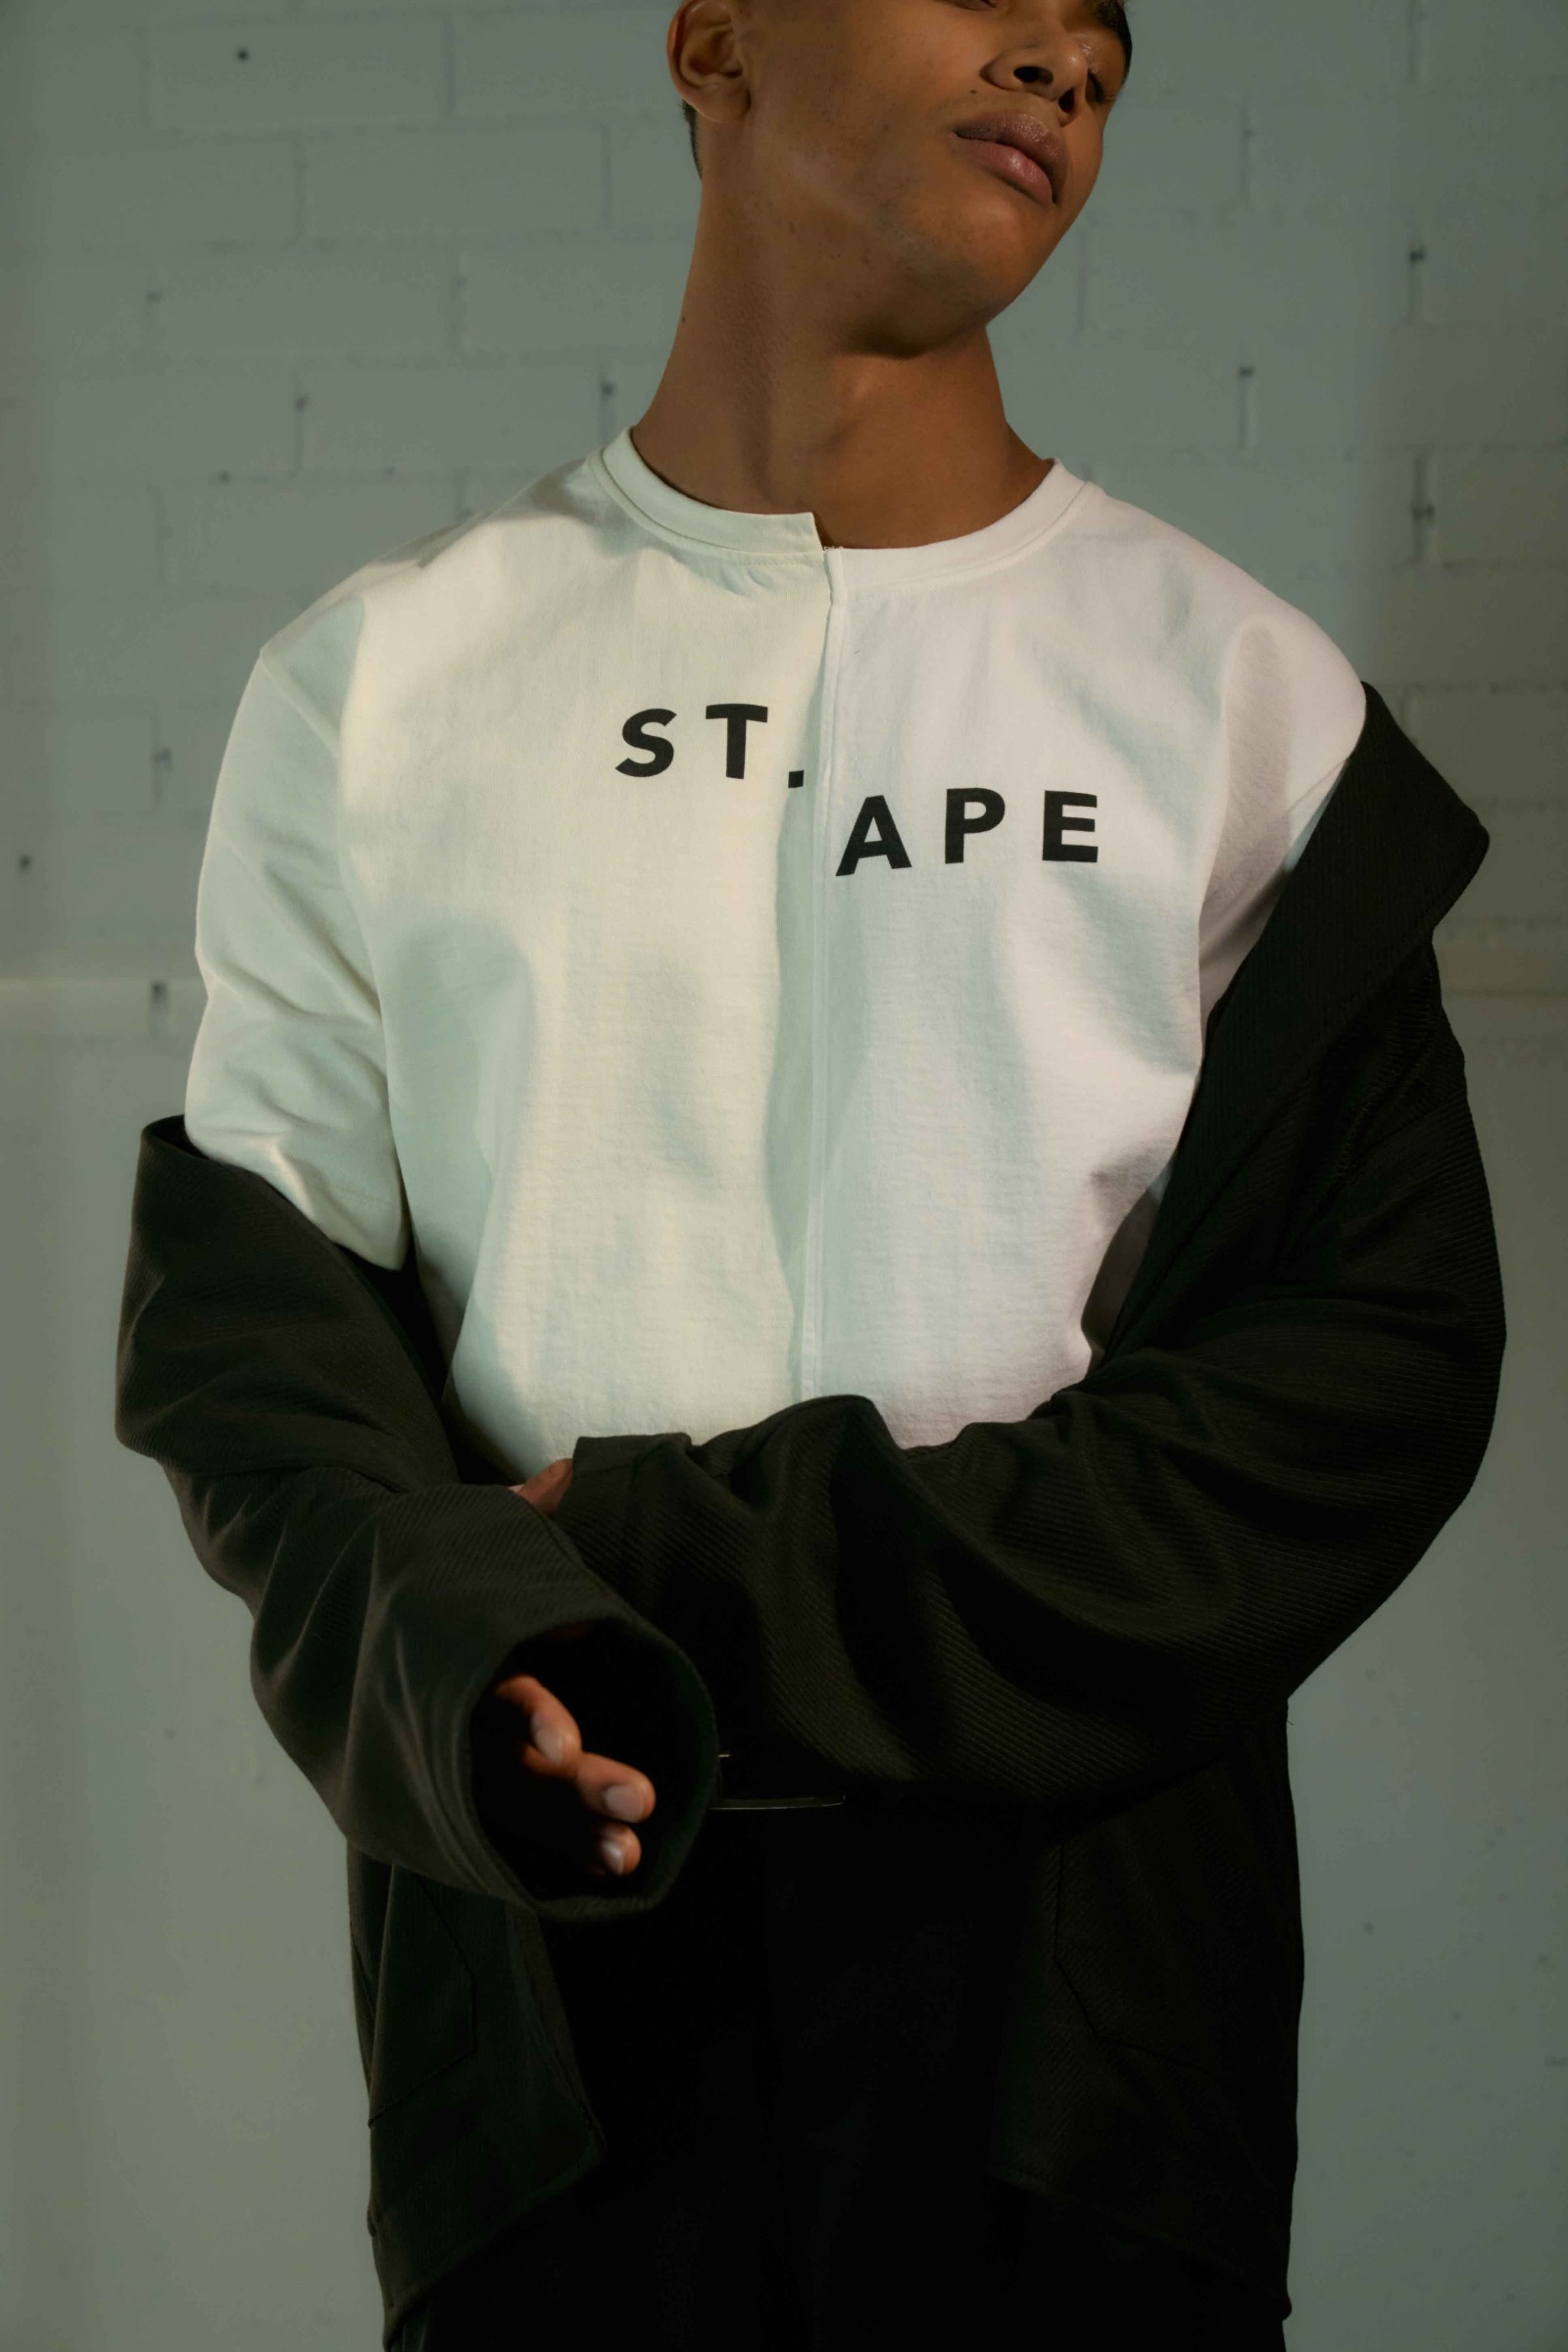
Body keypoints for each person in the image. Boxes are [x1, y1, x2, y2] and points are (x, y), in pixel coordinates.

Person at [113, 1, 1505, 2346]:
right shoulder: (381, 686)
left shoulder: (1248, 711)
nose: (1062, 55)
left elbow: (1353, 1382)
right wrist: (479, 1650)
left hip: (1082, 2026)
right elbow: (267, 1370)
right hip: (545, 2009)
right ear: (714, 37)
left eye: (1105, 37)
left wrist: (676, 1553)